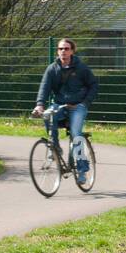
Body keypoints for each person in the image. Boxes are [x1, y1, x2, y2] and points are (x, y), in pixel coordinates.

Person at [33, 38, 98, 184]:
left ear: (72, 51)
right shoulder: (52, 68)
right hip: (59, 104)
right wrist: (40, 105)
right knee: (47, 116)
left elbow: (94, 86)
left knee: (76, 134)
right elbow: (44, 87)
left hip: (77, 107)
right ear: (57, 51)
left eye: (67, 49)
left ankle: (81, 169)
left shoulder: (81, 68)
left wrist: (84, 103)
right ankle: (55, 148)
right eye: (61, 48)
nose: (63, 51)